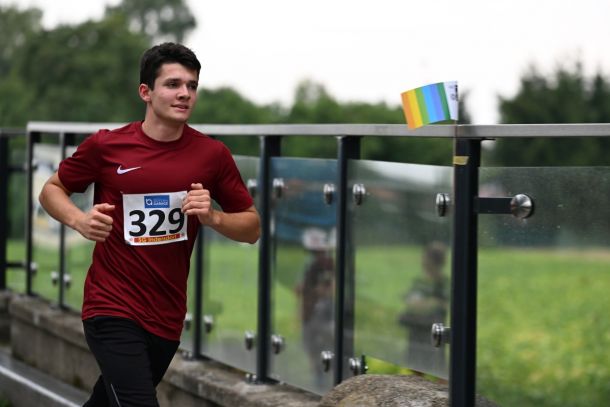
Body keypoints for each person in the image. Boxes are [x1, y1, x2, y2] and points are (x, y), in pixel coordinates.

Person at [38, 42, 260, 407]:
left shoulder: (212, 155)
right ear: (146, 92)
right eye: (173, 84)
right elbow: (52, 190)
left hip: (166, 315)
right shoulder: (107, 146)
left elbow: (252, 228)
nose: (185, 93)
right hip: (110, 306)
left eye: (191, 85)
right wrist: (79, 220)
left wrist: (213, 217)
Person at [398, 241, 449, 376]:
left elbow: (444, 304)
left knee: (435, 365)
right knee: (416, 366)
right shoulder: (419, 281)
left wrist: (427, 304)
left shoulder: (442, 283)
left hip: (431, 331)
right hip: (417, 328)